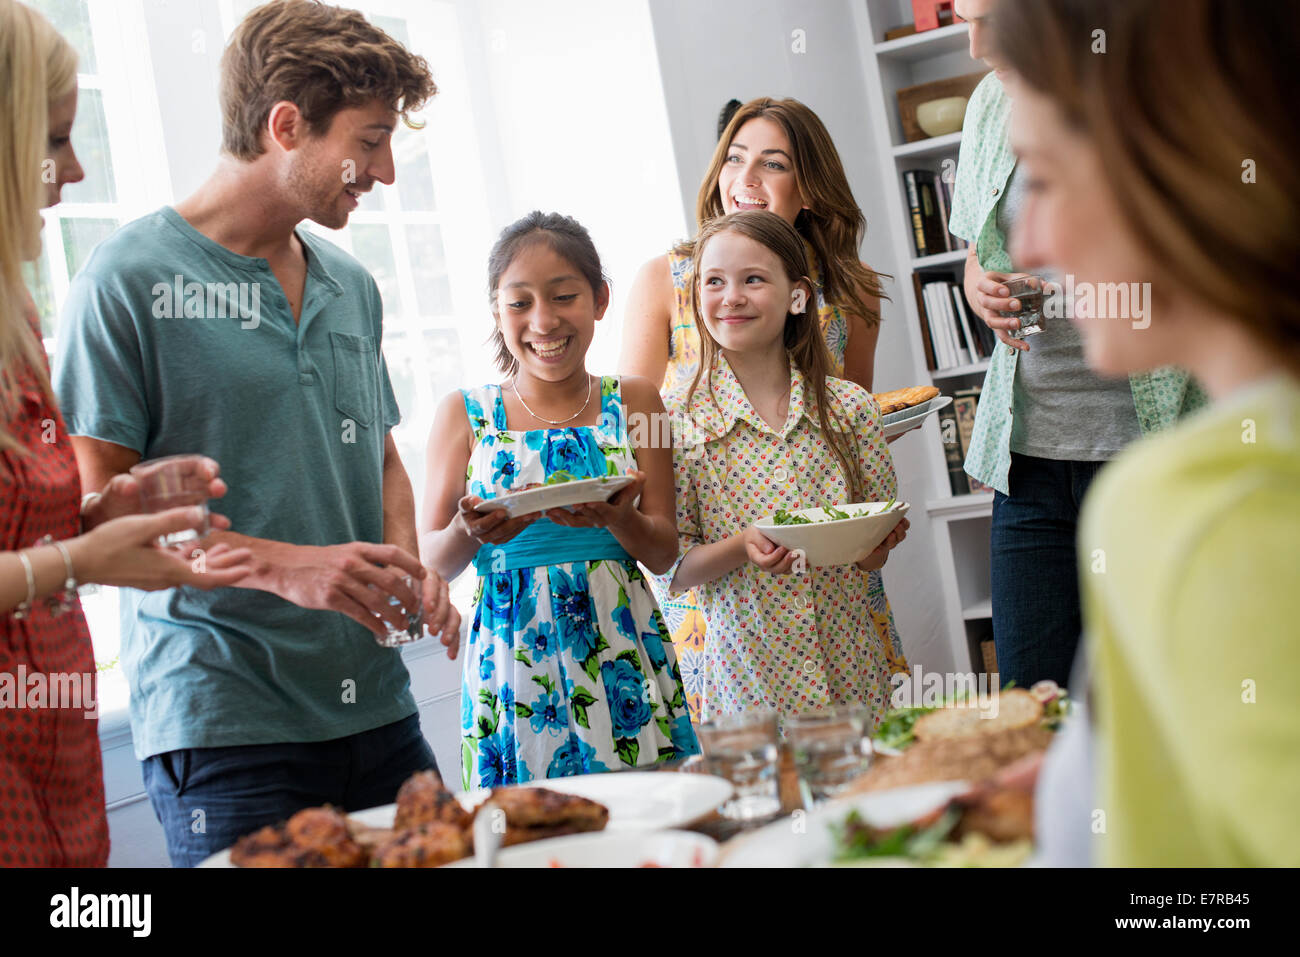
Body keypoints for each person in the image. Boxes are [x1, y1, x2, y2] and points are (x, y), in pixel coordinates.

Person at [52, 0, 459, 867]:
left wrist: (402, 566)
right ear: (286, 125)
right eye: (372, 138)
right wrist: (292, 566)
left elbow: (379, 453)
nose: (385, 170)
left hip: (378, 710)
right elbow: (97, 517)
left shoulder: (353, 284)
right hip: (226, 724)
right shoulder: (125, 280)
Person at [995, 0, 1299, 865]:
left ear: (1178, 165)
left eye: (1043, 180)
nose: (1030, 240)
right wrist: (1086, 790)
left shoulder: (1200, 500)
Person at [0, 0, 251, 867]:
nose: (72, 170)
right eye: (55, 138)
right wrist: (76, 561)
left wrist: (97, 516)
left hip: (49, 756)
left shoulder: (17, 315)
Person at [618, 97, 905, 718]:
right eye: (734, 159)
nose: (745, 180)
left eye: (771, 164)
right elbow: (631, 430)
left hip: (833, 591)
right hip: (722, 603)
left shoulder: (851, 289)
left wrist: (870, 526)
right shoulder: (668, 278)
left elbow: (852, 420)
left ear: (810, 187)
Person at [947, 0, 1205, 689]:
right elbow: (981, 247)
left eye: (989, 18)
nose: (973, 47)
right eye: (959, 16)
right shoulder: (988, 104)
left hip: (1148, 448)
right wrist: (979, 285)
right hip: (1029, 460)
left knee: (1162, 694)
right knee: (1036, 704)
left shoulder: (1152, 86)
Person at [420, 211, 699, 787]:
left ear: (599, 300)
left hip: (623, 643)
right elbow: (431, 563)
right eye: (519, 303)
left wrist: (620, 519)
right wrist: (467, 531)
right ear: (497, 312)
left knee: (647, 815)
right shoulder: (464, 414)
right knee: (531, 827)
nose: (542, 321)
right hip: (513, 658)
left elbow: (665, 550)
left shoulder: (641, 403)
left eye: (564, 296)